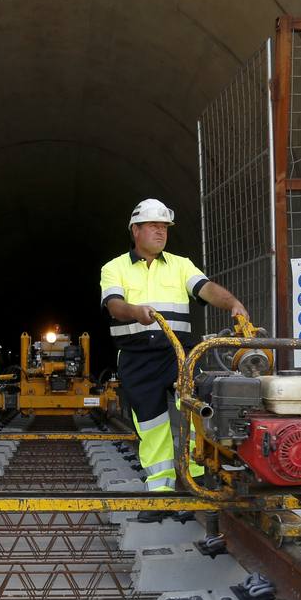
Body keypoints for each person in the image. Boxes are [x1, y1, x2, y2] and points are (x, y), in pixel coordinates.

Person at [100, 199, 248, 494]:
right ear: (136, 230)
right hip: (137, 357)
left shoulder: (181, 265)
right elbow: (114, 306)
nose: (161, 232)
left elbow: (205, 289)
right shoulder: (114, 268)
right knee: (150, 424)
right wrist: (135, 311)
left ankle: (198, 479)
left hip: (179, 354)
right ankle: (161, 491)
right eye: (154, 226)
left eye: (164, 227)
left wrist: (231, 302)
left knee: (195, 413)